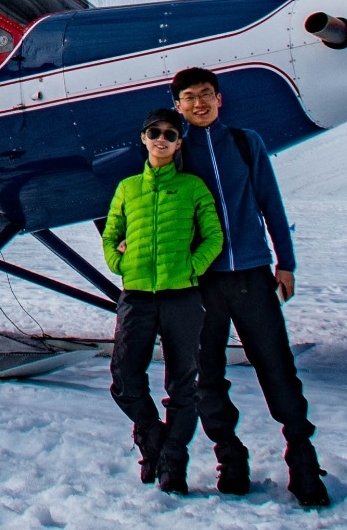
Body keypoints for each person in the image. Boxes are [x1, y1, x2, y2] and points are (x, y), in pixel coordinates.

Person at [172, 66, 330, 507]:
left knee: (278, 369)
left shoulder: (246, 142)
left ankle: (302, 460)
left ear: (219, 100)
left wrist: (287, 262)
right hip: (199, 283)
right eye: (190, 97)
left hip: (253, 276)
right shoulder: (175, 153)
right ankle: (230, 457)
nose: (199, 103)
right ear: (178, 106)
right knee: (208, 376)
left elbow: (270, 203)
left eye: (207, 94)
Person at [100, 108, 222, 495]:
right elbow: (110, 234)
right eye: (154, 132)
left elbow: (213, 238)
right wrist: (120, 263)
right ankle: (153, 439)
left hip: (182, 297)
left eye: (170, 134)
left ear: (179, 142)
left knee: (183, 385)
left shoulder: (192, 187)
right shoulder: (127, 188)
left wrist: (191, 267)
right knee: (124, 380)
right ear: (144, 138)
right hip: (136, 295)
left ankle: (172, 463)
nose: (162, 139)